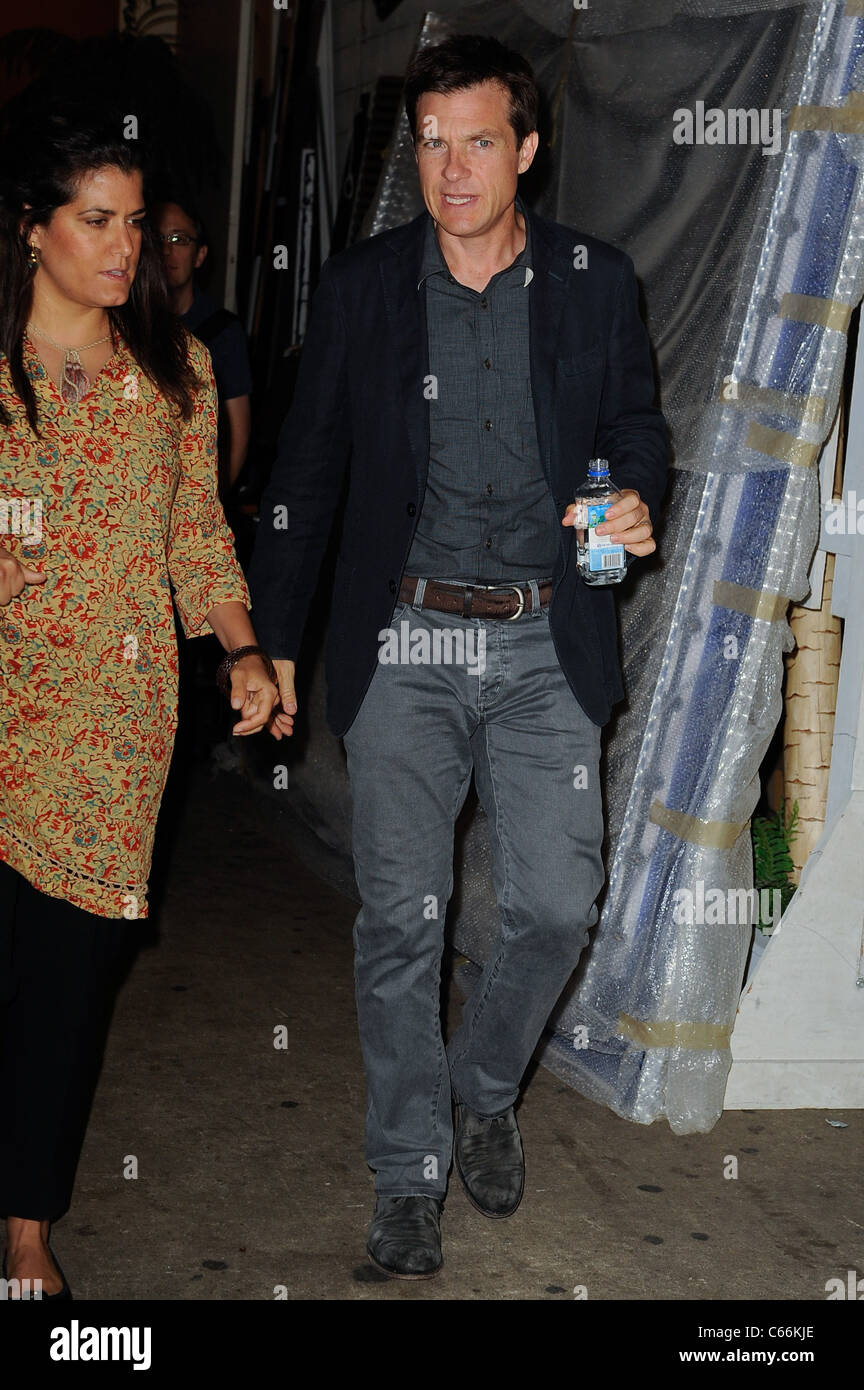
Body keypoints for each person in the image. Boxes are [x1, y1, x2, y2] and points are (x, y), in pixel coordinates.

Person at [248, 34, 669, 1279]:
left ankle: (484, 1086)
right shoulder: (367, 287)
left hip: (546, 633)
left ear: (527, 151)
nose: (450, 168)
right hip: (410, 636)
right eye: (431, 142)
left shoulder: (597, 282)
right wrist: (266, 642)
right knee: (400, 924)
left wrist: (633, 494)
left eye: (477, 139)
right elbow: (307, 472)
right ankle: (406, 1171)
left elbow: (634, 425)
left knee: (554, 905)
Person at [0, 100, 281, 1298]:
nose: (128, 248)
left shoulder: (177, 370)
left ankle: (23, 1230)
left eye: (136, 224)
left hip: (112, 734)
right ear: (32, 230)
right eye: (96, 222)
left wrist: (245, 649)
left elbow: (196, 536)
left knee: (63, 997)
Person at [155, 199, 253, 503]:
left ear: (200, 255)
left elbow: (238, 434)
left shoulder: (222, 333)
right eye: (158, 240)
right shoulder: (124, 326)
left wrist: (211, 507)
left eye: (179, 240)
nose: (167, 250)